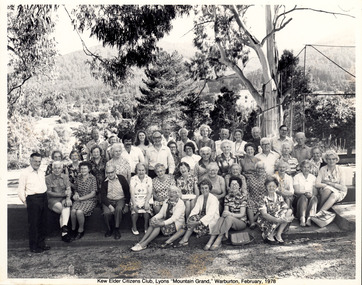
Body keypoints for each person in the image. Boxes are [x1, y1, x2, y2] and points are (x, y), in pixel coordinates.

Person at [165, 179, 220, 248]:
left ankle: (175, 241)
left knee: (189, 224)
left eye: (206, 188)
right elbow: (195, 210)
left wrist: (196, 222)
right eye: (202, 188)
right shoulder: (200, 197)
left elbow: (210, 215)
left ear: (209, 188)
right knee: (189, 222)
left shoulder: (213, 199)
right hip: (199, 221)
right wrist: (189, 219)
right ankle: (179, 240)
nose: (204, 190)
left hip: (209, 223)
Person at [131, 186, 185, 252]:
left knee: (157, 226)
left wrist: (162, 223)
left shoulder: (180, 203)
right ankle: (140, 242)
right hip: (166, 222)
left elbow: (174, 218)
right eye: (170, 192)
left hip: (176, 225)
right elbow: (161, 214)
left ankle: (145, 244)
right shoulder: (166, 201)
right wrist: (154, 218)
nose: (171, 194)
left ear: (177, 194)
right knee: (153, 223)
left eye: (174, 192)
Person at [18, 152, 51, 253]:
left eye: (39, 161)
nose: (37, 163)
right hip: (33, 199)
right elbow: (20, 189)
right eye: (35, 161)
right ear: (30, 161)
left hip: (43, 197)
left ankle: (41, 244)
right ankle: (33, 246)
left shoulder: (41, 171)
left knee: (43, 222)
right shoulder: (25, 173)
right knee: (34, 223)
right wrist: (25, 201)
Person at [205, 176, 248, 250]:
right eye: (232, 184)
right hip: (229, 221)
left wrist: (230, 214)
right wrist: (226, 214)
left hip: (241, 222)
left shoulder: (243, 197)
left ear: (239, 186)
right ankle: (211, 240)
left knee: (229, 217)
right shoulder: (227, 197)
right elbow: (225, 212)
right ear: (230, 186)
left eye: (236, 184)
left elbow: (242, 214)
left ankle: (219, 238)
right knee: (221, 218)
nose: (234, 186)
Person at [257, 176, 294, 244]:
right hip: (265, 220)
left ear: (276, 186)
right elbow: (264, 214)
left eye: (273, 186)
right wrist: (277, 220)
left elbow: (285, 208)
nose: (271, 188)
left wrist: (289, 216)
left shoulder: (279, 197)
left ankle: (278, 234)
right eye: (269, 186)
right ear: (266, 186)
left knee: (289, 211)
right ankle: (269, 235)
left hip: (278, 218)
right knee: (280, 215)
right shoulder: (262, 197)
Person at [100, 164, 130, 239]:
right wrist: (109, 206)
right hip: (108, 200)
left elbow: (127, 192)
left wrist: (126, 204)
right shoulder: (104, 181)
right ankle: (110, 229)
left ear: (115, 171)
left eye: (111, 172)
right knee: (107, 213)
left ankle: (116, 229)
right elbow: (103, 196)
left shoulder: (121, 178)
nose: (110, 174)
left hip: (120, 199)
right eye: (108, 173)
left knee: (119, 209)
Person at [45, 161, 73, 243]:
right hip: (52, 200)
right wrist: (62, 195)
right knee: (64, 210)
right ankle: (65, 230)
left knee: (66, 206)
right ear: (52, 169)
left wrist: (68, 198)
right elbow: (49, 192)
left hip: (64, 198)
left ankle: (64, 230)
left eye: (59, 168)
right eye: (55, 168)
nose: (57, 170)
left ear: (62, 169)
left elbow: (68, 189)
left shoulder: (65, 177)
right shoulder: (47, 178)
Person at [69, 161, 97, 240]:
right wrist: (76, 194)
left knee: (79, 212)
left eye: (85, 169)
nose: (83, 170)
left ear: (89, 169)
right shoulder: (78, 177)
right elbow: (76, 188)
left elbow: (93, 193)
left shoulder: (92, 178)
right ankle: (73, 229)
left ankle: (80, 230)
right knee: (73, 211)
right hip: (79, 198)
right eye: (81, 169)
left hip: (90, 199)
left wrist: (81, 198)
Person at [130, 163, 153, 235]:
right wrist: (134, 203)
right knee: (135, 212)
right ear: (136, 171)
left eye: (143, 170)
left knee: (146, 212)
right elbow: (132, 192)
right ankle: (134, 227)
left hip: (146, 198)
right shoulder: (133, 179)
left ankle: (146, 226)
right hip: (135, 198)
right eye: (139, 170)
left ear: (145, 171)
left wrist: (146, 202)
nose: (141, 172)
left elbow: (149, 192)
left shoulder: (149, 179)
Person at [293, 160, 318, 227]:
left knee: (314, 198)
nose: (306, 169)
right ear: (301, 168)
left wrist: (311, 195)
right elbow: (296, 191)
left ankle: (309, 218)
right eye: (304, 167)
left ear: (310, 168)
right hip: (299, 197)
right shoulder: (297, 177)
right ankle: (302, 218)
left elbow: (315, 192)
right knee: (303, 197)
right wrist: (305, 193)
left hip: (310, 196)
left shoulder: (313, 177)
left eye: (308, 167)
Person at [246, 161, 268, 229]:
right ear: (256, 169)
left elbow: (270, 188)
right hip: (253, 197)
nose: (260, 170)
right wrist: (248, 196)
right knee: (249, 202)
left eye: (262, 168)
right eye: (258, 168)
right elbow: (247, 188)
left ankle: (252, 220)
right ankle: (252, 223)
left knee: (263, 205)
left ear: (264, 169)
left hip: (264, 197)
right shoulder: (251, 177)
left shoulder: (267, 177)